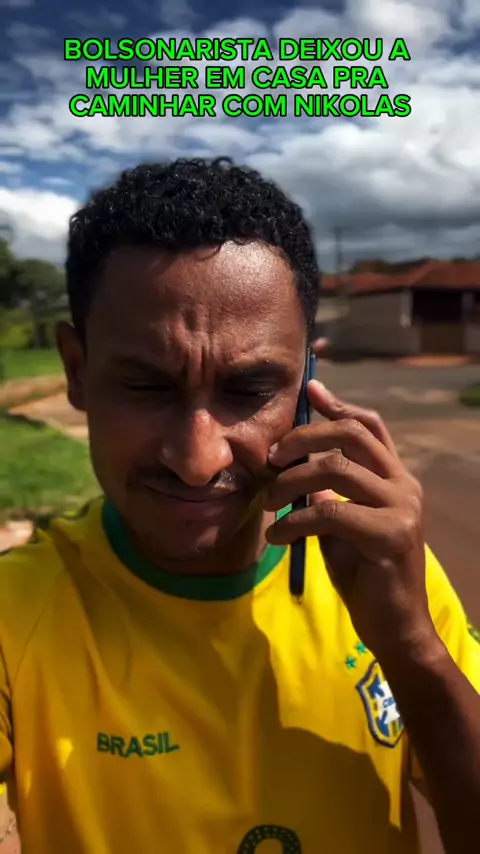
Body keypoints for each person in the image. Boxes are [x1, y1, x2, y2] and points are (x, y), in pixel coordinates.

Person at [0, 158, 479, 854]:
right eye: (146, 386)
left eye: (249, 389)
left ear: (308, 379)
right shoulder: (15, 614)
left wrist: (414, 651)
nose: (198, 459)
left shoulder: (387, 573)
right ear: (77, 369)